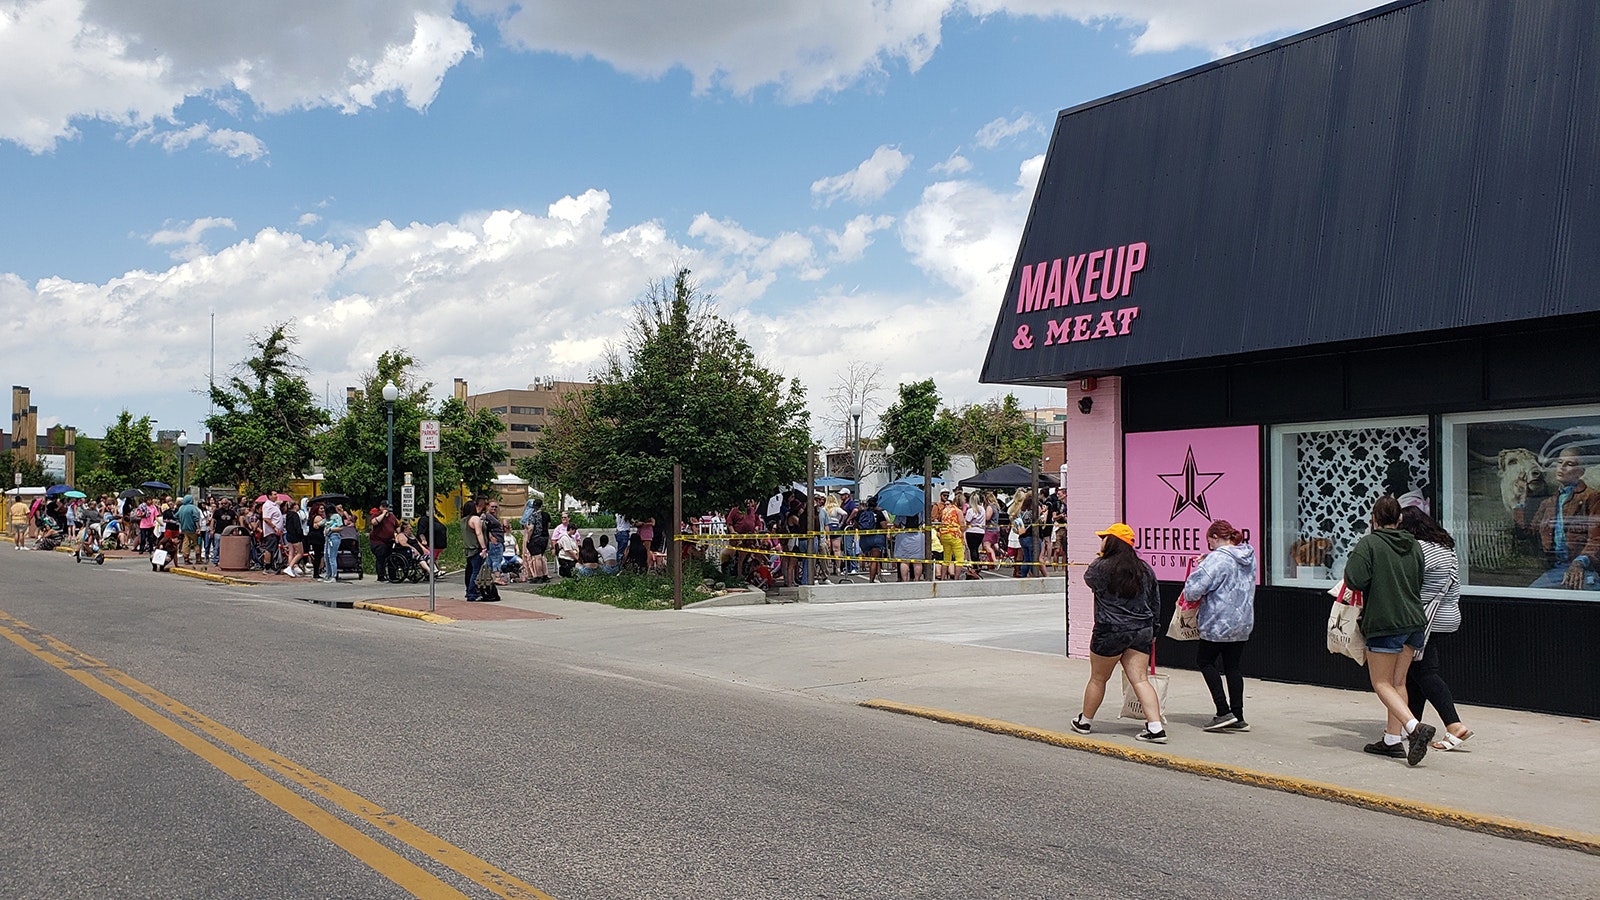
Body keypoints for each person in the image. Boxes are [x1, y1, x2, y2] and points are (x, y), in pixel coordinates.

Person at [1345, 494, 1435, 766]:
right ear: (1399, 518)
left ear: (1374, 519)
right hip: (1413, 621)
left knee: (1381, 683)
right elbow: (1420, 579)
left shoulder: (1369, 544)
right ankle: (1392, 740)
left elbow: (1355, 580)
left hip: (1385, 621)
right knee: (1398, 683)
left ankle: (1414, 727)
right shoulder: (1414, 545)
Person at [1072, 523, 1167, 742]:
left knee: (1098, 678)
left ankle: (1085, 721)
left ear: (1112, 542)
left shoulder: (1100, 567)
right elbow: (1155, 602)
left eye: (1104, 538)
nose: (1101, 541)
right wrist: (1154, 630)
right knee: (1140, 679)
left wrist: (1101, 557)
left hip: (1110, 631)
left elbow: (1089, 580)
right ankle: (1155, 727)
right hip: (1141, 630)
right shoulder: (1145, 569)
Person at [1397, 506, 1474, 751]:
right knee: (1415, 670)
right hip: (1447, 615)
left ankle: (1454, 725)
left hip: (1427, 618)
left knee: (1425, 672)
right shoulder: (1444, 547)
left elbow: (1411, 585)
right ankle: (1413, 726)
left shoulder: (1419, 549)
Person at [1181, 520, 1257, 732]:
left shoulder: (1216, 559)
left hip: (1218, 621)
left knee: (1205, 661)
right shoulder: (1248, 556)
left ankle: (1223, 711)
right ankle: (1238, 716)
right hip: (1242, 620)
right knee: (1233, 667)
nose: (1210, 546)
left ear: (1215, 537)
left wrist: (1202, 566)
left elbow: (1193, 591)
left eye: (1209, 542)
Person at [1522, 445, 1600, 590]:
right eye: (1559, 462)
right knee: (1530, 597)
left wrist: (1579, 563)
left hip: (1585, 569)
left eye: (1569, 464)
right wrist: (1521, 500)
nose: (1562, 467)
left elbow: (1597, 539)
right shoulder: (1549, 502)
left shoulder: (1592, 497)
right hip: (1555, 571)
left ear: (1580, 472)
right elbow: (1528, 532)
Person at [852, 496, 887, 583]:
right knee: (874, 560)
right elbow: (884, 526)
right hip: (877, 538)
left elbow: (855, 525)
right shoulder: (879, 513)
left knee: (871, 558)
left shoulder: (861, 513)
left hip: (865, 539)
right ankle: (871, 580)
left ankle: (878, 574)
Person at [938, 492, 967, 580]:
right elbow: (962, 526)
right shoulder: (958, 511)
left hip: (944, 535)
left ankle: (942, 578)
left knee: (946, 558)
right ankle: (956, 578)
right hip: (955, 535)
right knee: (959, 558)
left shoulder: (945, 510)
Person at [461, 499, 487, 600]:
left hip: (468, 548)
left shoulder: (463, 520)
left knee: (470, 570)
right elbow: (478, 533)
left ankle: (469, 590)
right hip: (476, 548)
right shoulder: (475, 518)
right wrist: (483, 547)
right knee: (476, 571)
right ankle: (472, 593)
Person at [523, 498, 551, 583]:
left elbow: (531, 528)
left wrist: (528, 538)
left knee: (537, 558)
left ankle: (539, 576)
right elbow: (548, 525)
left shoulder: (533, 516)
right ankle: (545, 575)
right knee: (542, 557)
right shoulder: (546, 515)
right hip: (545, 537)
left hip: (536, 538)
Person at [369, 502, 397, 583]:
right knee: (381, 558)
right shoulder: (376, 515)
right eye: (384, 506)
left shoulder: (392, 517)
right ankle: (381, 576)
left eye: (387, 506)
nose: (386, 508)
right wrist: (383, 514)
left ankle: (392, 576)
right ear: (380, 507)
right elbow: (374, 522)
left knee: (391, 558)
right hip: (378, 541)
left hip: (389, 541)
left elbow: (397, 526)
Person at [894, 515, 926, 582]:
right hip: (918, 537)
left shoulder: (901, 511)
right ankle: (917, 580)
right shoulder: (921, 510)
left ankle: (905, 580)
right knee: (918, 561)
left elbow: (896, 524)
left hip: (904, 537)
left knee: (904, 561)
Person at [482, 500, 507, 584]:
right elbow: (486, 528)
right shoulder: (487, 516)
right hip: (495, 541)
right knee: (496, 559)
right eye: (492, 506)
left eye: (496, 507)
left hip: (498, 540)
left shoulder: (493, 516)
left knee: (490, 560)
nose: (494, 508)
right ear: (487, 506)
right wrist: (491, 537)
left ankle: (489, 578)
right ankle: (497, 578)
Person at [319, 504, 345, 582]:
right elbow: (321, 523)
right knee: (326, 556)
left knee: (332, 557)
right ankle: (328, 574)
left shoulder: (336, 516)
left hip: (334, 537)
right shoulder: (327, 519)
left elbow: (341, 527)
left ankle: (333, 575)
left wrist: (331, 529)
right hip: (327, 538)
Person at [282, 500, 306, 577]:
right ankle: (290, 567)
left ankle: (291, 569)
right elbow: (297, 527)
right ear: (295, 506)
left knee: (291, 553)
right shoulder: (295, 515)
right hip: (296, 537)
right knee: (300, 553)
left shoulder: (288, 515)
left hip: (289, 535)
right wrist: (301, 535)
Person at [175, 496, 200, 566]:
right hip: (192, 529)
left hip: (184, 529)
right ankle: (198, 558)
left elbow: (176, 516)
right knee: (196, 543)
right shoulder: (193, 508)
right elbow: (196, 518)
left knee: (186, 543)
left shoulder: (181, 508)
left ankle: (186, 558)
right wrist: (198, 528)